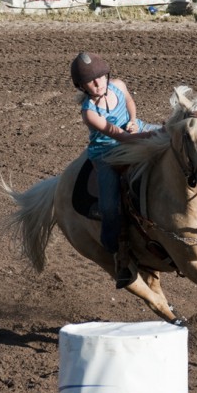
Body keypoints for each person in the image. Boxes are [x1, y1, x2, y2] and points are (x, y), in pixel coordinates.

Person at [70, 50, 156, 289]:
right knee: (109, 206)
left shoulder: (118, 85)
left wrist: (134, 120)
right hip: (107, 153)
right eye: (91, 81)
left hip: (135, 130)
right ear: (82, 87)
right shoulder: (89, 112)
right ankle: (114, 250)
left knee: (181, 144)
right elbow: (120, 137)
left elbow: (129, 102)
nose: (98, 83)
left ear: (107, 76)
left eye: (100, 77)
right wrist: (153, 136)